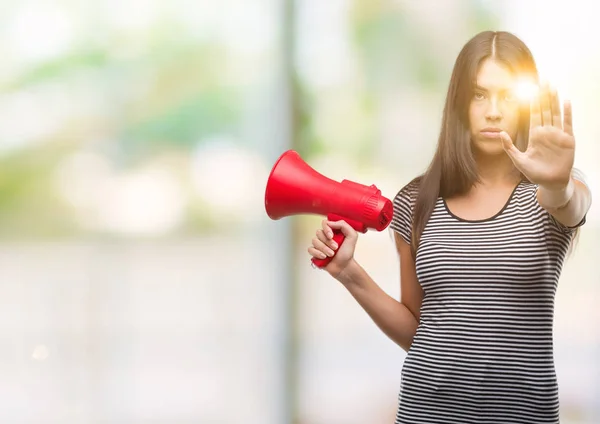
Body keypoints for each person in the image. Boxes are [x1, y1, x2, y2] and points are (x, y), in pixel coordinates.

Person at [307, 30, 593, 424]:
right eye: (479, 95)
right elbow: (418, 331)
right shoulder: (415, 201)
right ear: (460, 103)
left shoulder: (552, 189)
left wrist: (558, 182)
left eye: (508, 96)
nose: (493, 110)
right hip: (426, 413)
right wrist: (349, 273)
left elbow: (571, 205)